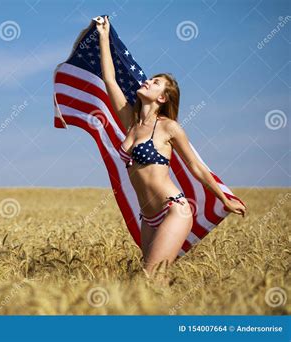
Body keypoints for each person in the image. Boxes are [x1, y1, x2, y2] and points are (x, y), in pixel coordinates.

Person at [96, 16, 247, 279]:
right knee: (156, 286)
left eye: (155, 83)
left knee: (147, 280)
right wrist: (103, 35)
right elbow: (110, 80)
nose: (146, 82)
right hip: (148, 219)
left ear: (163, 98)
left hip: (173, 210)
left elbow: (196, 168)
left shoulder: (169, 128)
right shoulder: (130, 121)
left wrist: (224, 199)